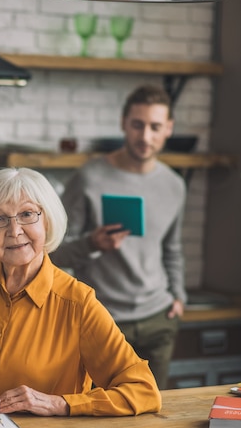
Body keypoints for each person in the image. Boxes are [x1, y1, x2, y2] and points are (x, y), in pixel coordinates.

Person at [0, 166, 161, 420]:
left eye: (27, 214)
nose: (14, 230)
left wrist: (57, 404)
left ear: (48, 221)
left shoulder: (78, 302)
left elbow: (143, 390)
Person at [51, 84, 187, 390]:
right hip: (103, 320)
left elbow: (172, 249)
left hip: (159, 318)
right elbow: (53, 251)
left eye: (155, 127)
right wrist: (91, 244)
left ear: (168, 129)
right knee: (100, 419)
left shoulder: (174, 184)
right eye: (138, 125)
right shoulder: (89, 177)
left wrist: (179, 296)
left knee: (154, 418)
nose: (145, 136)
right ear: (123, 123)